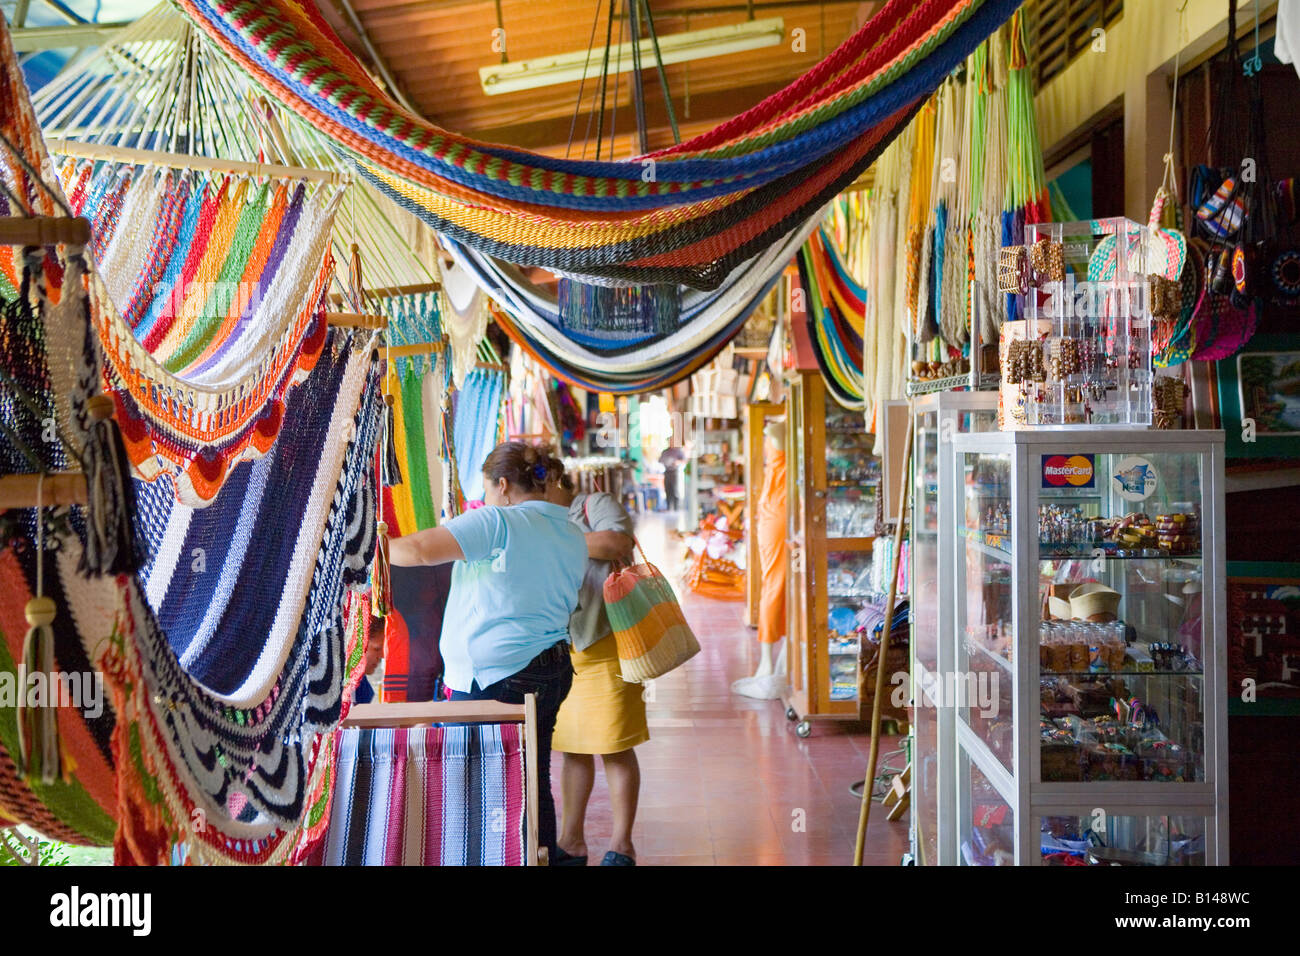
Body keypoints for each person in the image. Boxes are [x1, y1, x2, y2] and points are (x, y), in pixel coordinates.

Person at [388, 441, 587, 863]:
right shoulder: (570, 529)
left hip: (500, 677)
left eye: (485, 490)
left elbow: (419, 550)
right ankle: (541, 855)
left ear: (501, 485)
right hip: (551, 667)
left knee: (479, 784)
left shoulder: (498, 522)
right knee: (533, 775)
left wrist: (368, 542)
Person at [545, 474, 646, 866]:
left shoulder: (594, 504)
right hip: (564, 646)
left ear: (554, 480)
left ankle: (622, 845)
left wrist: (554, 541)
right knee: (573, 747)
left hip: (606, 640)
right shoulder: (538, 518)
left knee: (615, 745)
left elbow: (616, 542)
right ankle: (572, 841)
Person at [732, 418, 788, 699]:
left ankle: (783, 654)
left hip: (782, 510)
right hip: (779, 514)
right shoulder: (780, 427)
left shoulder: (787, 425)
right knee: (775, 584)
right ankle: (767, 659)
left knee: (785, 584)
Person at [659, 444, 686, 510]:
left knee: (675, 490)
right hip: (667, 472)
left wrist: (677, 462)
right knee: (668, 490)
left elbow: (684, 460)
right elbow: (660, 460)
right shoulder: (665, 451)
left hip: (675, 472)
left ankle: (676, 507)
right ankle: (669, 507)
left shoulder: (678, 451)